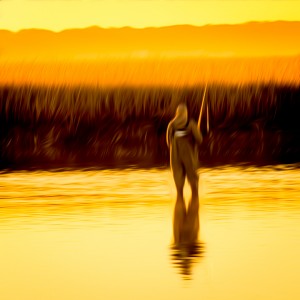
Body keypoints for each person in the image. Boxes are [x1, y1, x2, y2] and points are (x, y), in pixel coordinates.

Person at [166, 103, 203, 200]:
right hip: (189, 155)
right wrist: (196, 132)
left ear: (177, 113)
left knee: (178, 180)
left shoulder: (171, 124)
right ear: (186, 113)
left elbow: (168, 141)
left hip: (175, 155)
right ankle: (194, 203)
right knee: (193, 180)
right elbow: (199, 140)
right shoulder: (191, 123)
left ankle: (180, 204)